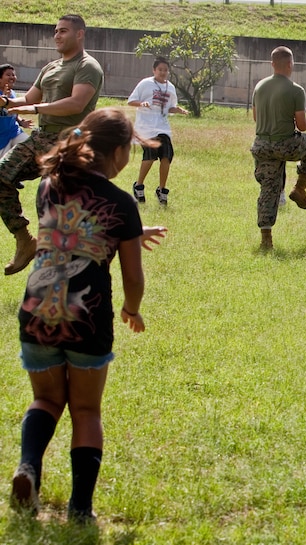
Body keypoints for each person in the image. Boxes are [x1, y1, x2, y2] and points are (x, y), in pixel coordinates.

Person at [9, 108, 163, 524]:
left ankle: (28, 469)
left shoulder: (49, 183)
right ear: (118, 153)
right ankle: (80, 509)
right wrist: (132, 308)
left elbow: (71, 228)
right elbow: (133, 277)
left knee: (45, 399)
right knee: (86, 411)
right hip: (87, 317)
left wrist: (130, 231)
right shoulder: (122, 203)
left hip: (38, 310)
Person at [0, 14, 103, 276]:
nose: (57, 36)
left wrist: (35, 108)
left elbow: (76, 103)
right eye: (56, 31)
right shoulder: (51, 67)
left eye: (63, 31)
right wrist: (7, 103)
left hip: (69, 143)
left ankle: (64, 270)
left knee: (50, 205)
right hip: (40, 138)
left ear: (79, 34)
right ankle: (24, 240)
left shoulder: (87, 66)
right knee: (1, 175)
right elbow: (28, 99)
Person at [250, 46, 306, 251]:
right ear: (290, 64)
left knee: (268, 189)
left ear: (272, 64)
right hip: (284, 144)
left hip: (262, 145)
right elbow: (301, 126)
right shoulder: (296, 90)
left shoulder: (260, 86)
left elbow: (256, 118)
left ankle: (266, 240)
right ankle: (300, 188)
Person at [127, 57, 189, 206]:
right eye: (160, 69)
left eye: (165, 70)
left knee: (167, 155)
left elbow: (170, 107)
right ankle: (139, 186)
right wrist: (142, 103)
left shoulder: (170, 87)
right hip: (146, 127)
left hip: (162, 127)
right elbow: (131, 101)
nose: (163, 72)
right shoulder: (145, 84)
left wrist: (178, 110)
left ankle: (162, 190)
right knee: (150, 156)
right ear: (154, 70)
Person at [0, 64, 33, 158]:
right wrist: (4, 99)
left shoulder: (13, 94)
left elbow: (12, 112)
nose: (12, 77)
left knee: (31, 150)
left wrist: (20, 121)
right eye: (8, 75)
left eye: (13, 75)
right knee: (4, 164)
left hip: (14, 132)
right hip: (1, 138)